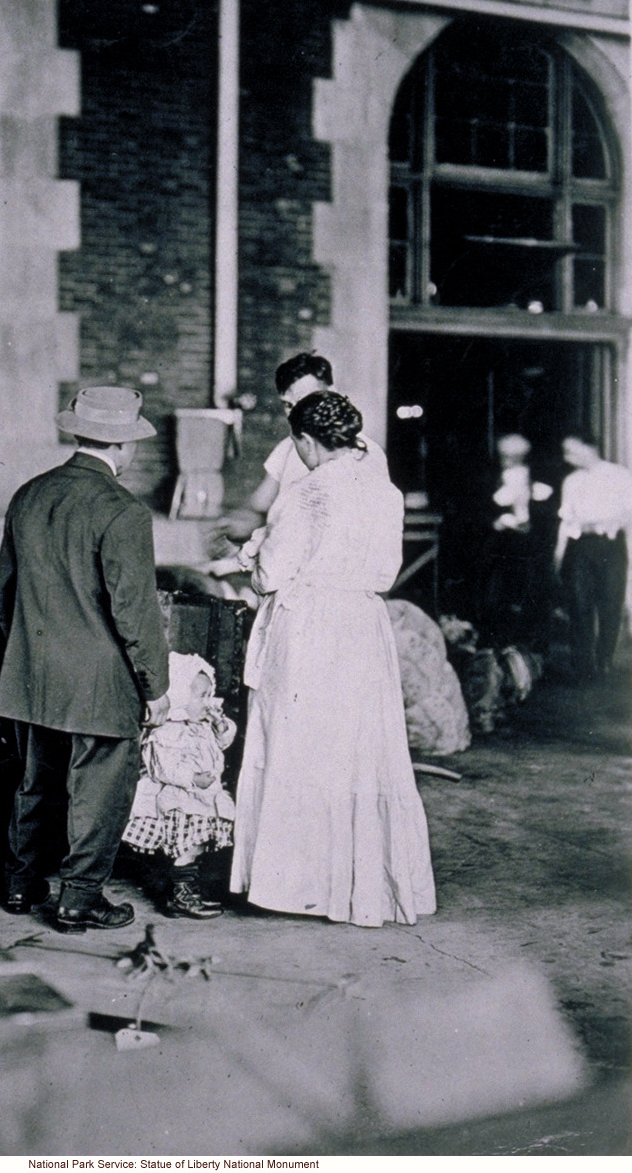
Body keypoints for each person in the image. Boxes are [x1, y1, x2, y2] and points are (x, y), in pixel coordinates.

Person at [215, 391, 436, 927]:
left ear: (307, 442)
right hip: (362, 623)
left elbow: (272, 573)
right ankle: (361, 886)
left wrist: (248, 554)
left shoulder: (310, 490)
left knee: (301, 747)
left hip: (311, 626)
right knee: (356, 748)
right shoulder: (385, 491)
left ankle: (298, 885)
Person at [0, 385, 170, 933]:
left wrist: (28, 648)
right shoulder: (123, 511)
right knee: (99, 788)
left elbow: (3, 591)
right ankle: (80, 897)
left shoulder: (28, 494)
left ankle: (22, 885)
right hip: (98, 679)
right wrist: (156, 687)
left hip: (30, 672)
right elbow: (135, 611)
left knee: (33, 780)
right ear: (126, 446)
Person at [211, 351, 387, 547]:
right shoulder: (288, 447)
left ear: (332, 392)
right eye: (288, 405)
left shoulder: (361, 450)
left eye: (305, 400)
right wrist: (235, 526)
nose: (297, 413)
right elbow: (259, 507)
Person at [122, 651, 236, 919]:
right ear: (181, 697)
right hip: (180, 801)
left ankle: (187, 891)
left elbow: (221, 743)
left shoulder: (203, 724)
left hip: (202, 800)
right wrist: (192, 778)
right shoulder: (168, 731)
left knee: (195, 849)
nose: (209, 703)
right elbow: (164, 767)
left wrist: (222, 728)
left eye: (210, 694)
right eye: (201, 696)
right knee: (186, 849)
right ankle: (180, 895)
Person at [554, 431, 632, 682]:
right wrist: (558, 554)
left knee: (610, 603)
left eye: (572, 450)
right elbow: (566, 519)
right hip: (580, 546)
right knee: (579, 604)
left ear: (589, 448)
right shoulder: (571, 481)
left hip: (610, 545)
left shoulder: (620, 475)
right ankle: (583, 665)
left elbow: (630, 512)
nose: (568, 457)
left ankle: (604, 661)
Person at [480, 433, 554, 646]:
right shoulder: (490, 478)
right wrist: (499, 521)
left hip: (531, 545)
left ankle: (531, 649)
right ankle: (499, 644)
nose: (509, 460)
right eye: (506, 455)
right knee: (498, 597)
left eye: (515, 456)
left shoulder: (538, 478)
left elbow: (548, 514)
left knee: (533, 596)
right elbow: (480, 511)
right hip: (501, 545)